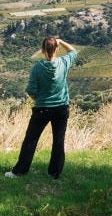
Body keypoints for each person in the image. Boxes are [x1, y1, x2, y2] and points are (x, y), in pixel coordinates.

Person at [6, 36, 77, 179]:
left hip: (42, 109)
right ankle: (54, 173)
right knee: (58, 141)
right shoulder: (63, 62)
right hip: (61, 108)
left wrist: (38, 100)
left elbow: (31, 90)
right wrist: (61, 41)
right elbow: (73, 51)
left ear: (43, 50)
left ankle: (20, 171)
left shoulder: (37, 68)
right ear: (57, 49)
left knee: (30, 140)